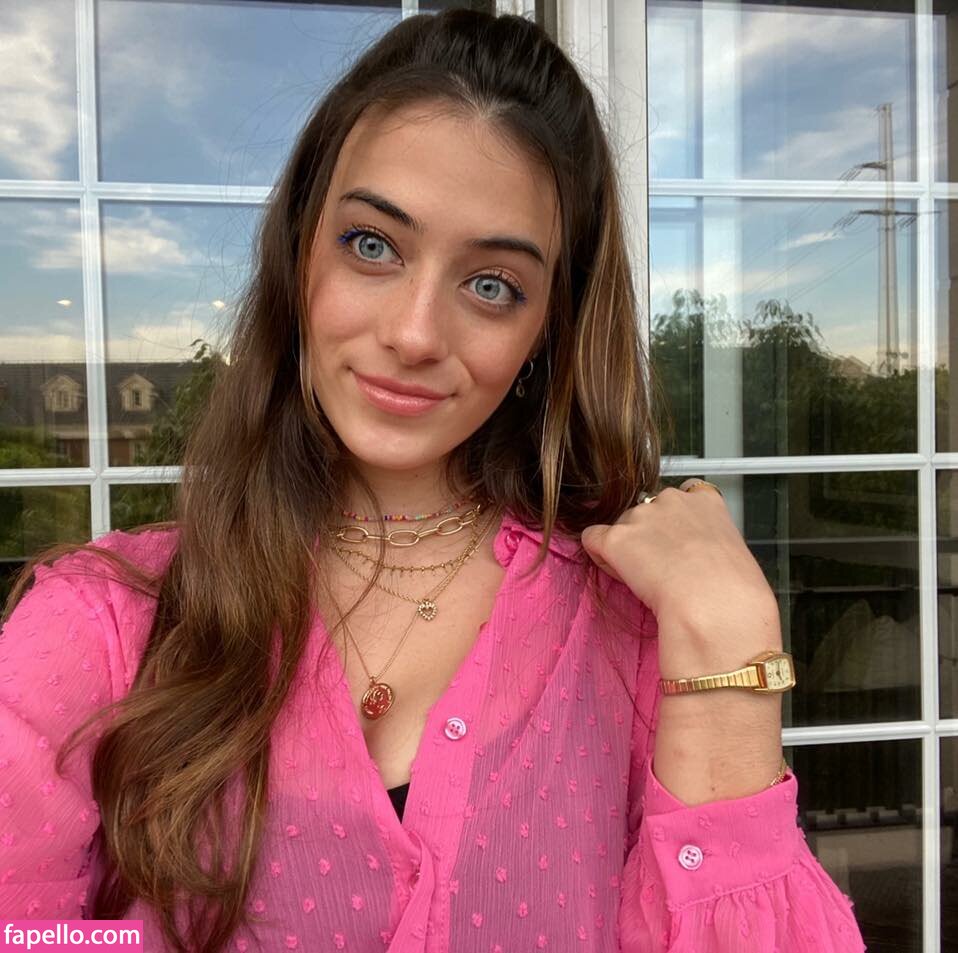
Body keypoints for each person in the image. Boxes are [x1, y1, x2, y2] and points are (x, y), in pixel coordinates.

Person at [0, 9, 867, 953]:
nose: (415, 334)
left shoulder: (634, 635)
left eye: (492, 285)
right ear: (300, 253)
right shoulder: (99, 627)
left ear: (547, 330)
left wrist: (734, 654)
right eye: (372, 245)